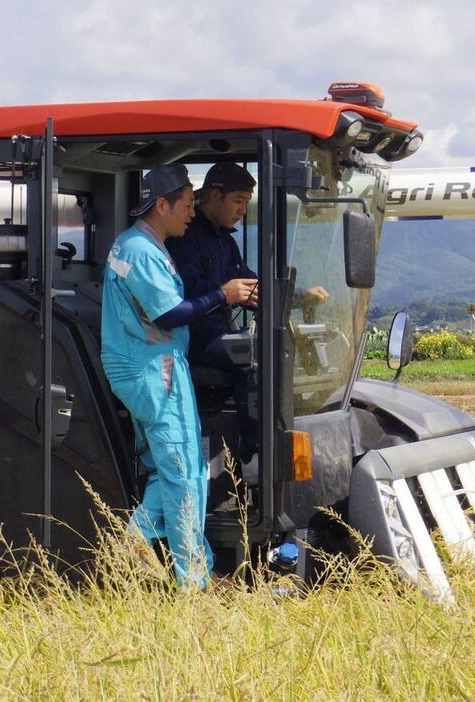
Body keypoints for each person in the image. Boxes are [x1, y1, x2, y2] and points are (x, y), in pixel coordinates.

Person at [100, 164, 255, 589]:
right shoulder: (139, 251)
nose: (192, 212)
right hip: (153, 369)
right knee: (186, 472)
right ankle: (192, 578)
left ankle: (139, 544)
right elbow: (168, 313)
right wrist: (222, 295)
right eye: (187, 204)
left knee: (169, 470)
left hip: (154, 366)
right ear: (162, 205)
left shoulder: (146, 245)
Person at [166, 163, 328, 466]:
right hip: (194, 336)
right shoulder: (184, 236)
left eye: (246, 202)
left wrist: (299, 296)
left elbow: (252, 286)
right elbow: (185, 291)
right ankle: (256, 457)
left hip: (219, 333)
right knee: (256, 357)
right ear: (215, 195)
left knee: (279, 349)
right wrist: (225, 291)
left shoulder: (224, 240)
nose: (243, 209)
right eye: (238, 200)